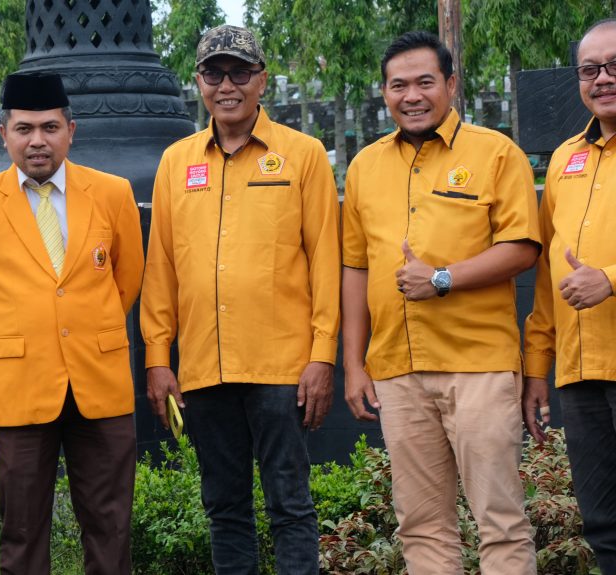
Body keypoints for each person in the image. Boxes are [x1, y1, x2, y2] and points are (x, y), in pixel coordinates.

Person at [140, 25, 340, 574]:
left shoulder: (303, 156)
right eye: (214, 73)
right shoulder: (176, 163)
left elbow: (325, 261)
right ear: (198, 81)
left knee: (290, 504)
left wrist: (323, 355)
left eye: (239, 73)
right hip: (204, 367)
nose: (226, 86)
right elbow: (161, 267)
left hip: (282, 367)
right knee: (224, 509)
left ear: (262, 80)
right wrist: (158, 358)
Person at [341, 31, 539, 574]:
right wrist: (353, 364)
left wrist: (443, 278)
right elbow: (356, 267)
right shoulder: (364, 167)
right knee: (422, 525)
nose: (412, 95)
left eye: (425, 82)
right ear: (385, 93)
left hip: (478, 366)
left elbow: (522, 247)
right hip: (396, 370)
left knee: (499, 520)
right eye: (398, 85)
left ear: (451, 85)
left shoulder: (496, 153)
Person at [0, 72, 143, 575]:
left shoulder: (112, 193)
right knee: (23, 530)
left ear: (70, 131)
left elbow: (128, 280)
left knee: (111, 525)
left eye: (50, 128)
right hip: (19, 384)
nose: (37, 141)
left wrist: (86, 329)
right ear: (4, 134)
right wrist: (9, 344)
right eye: (24, 129)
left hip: (100, 380)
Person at [523, 18, 616, 574]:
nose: (602, 78)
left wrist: (611, 278)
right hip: (580, 373)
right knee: (603, 524)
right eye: (589, 69)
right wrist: (537, 368)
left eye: (615, 66)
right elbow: (544, 275)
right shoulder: (563, 160)